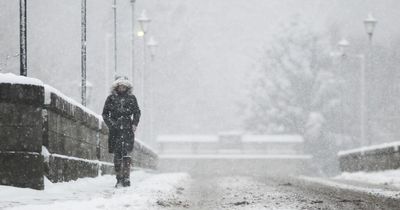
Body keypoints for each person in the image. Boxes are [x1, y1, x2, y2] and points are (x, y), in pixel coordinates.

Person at [102, 76, 141, 187]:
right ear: (117, 86)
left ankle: (126, 178)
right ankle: (119, 177)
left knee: (127, 153)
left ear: (127, 87)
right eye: (120, 86)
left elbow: (137, 112)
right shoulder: (111, 98)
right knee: (117, 154)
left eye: (124, 86)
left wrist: (134, 124)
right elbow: (105, 114)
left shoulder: (132, 98)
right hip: (115, 130)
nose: (122, 88)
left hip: (128, 128)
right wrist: (112, 125)